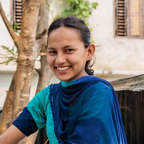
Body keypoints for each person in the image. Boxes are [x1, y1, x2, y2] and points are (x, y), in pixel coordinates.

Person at [0, 16, 127, 144]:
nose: (59, 60)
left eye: (69, 50)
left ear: (89, 51)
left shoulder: (99, 93)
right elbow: (5, 139)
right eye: (53, 52)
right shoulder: (48, 96)